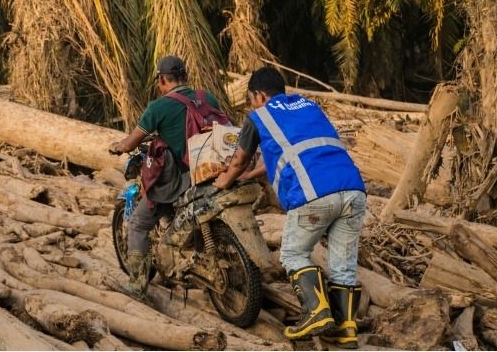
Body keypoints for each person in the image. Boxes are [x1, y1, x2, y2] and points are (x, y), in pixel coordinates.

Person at [214, 67, 366, 347]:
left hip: (314, 193)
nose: (250, 105)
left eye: (250, 99)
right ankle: (347, 329)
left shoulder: (259, 117)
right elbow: (295, 149)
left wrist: (222, 182)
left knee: (293, 254)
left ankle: (316, 312)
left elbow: (238, 160)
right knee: (343, 264)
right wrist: (253, 175)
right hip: (353, 190)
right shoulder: (308, 106)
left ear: (259, 95)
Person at [109, 55, 222, 300]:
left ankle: (136, 286)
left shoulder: (159, 107)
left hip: (180, 180)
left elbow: (132, 142)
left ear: (162, 80)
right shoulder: (207, 97)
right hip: (211, 171)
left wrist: (118, 146)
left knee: (138, 224)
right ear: (186, 76)